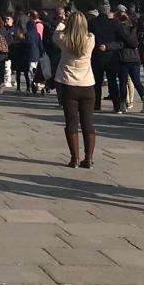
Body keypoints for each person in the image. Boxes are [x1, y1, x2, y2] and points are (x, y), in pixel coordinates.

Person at [54, 11, 97, 168]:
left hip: (68, 84)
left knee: (71, 122)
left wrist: (62, 21)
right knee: (88, 122)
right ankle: (89, 158)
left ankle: (74, 158)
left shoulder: (63, 39)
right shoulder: (90, 39)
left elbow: (56, 33)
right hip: (87, 84)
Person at [114, 11, 144, 117]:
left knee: (123, 82)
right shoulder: (134, 29)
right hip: (135, 58)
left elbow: (120, 44)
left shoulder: (119, 29)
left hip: (124, 58)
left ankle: (122, 104)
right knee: (137, 81)